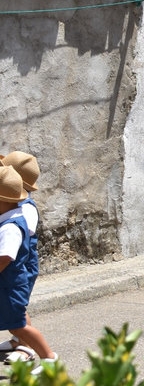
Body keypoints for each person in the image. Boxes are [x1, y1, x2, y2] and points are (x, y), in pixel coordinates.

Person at [0, 165, 56, 370]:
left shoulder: (11, 227)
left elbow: (5, 257)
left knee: (18, 324)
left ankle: (49, 357)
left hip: (10, 284)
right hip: (7, 282)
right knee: (14, 321)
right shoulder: (8, 219)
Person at [0, 152, 42, 358]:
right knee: (11, 308)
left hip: (23, 263)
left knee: (18, 308)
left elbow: (16, 244)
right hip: (16, 263)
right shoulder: (14, 208)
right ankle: (18, 340)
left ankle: (26, 347)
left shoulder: (25, 210)